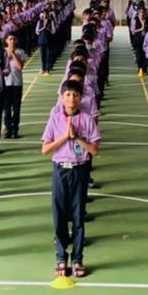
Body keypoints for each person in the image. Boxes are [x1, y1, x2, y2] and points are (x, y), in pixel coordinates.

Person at [41, 80, 100, 278]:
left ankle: (77, 258)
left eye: (75, 95)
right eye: (68, 95)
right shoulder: (55, 119)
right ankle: (60, 256)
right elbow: (45, 149)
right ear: (62, 97)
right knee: (59, 215)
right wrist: (64, 137)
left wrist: (76, 138)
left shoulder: (87, 119)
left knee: (78, 216)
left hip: (79, 170)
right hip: (60, 170)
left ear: (80, 98)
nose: (71, 99)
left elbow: (94, 150)